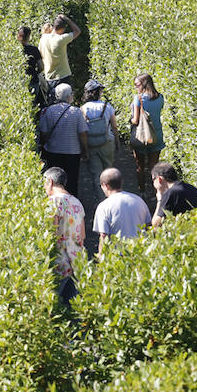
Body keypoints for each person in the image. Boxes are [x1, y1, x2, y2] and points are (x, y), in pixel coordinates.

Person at [39, 83, 88, 198]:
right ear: (69, 96)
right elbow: (83, 134)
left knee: (55, 181)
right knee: (71, 182)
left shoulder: (49, 111)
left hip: (53, 151)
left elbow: (44, 133)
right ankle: (73, 206)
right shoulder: (76, 112)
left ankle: (55, 203)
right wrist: (85, 149)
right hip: (72, 152)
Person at [44, 167, 85, 303]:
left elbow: (52, 232)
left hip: (59, 262)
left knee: (54, 305)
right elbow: (82, 235)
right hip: (76, 261)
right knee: (72, 306)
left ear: (50, 182)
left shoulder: (52, 202)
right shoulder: (77, 202)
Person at [93, 168, 151, 255]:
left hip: (118, 258)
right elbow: (148, 226)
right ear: (122, 182)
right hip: (140, 254)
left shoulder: (103, 207)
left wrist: (101, 260)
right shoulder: (138, 200)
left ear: (105, 185)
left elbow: (104, 237)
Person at [80, 79, 120, 201]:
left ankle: (100, 200)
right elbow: (114, 126)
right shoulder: (107, 107)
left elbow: (83, 132)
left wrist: (84, 149)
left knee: (96, 175)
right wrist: (117, 142)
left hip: (91, 145)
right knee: (108, 170)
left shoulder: (83, 109)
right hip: (107, 143)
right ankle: (111, 197)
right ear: (98, 93)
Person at [129, 73, 166, 194]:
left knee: (140, 166)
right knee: (154, 166)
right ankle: (157, 191)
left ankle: (142, 191)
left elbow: (136, 120)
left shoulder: (138, 98)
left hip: (142, 137)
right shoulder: (160, 97)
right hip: (156, 135)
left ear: (143, 84)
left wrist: (130, 120)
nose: (135, 87)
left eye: (136, 84)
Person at [151, 162, 197, 227]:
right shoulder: (189, 187)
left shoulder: (169, 193)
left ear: (159, 179)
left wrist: (159, 200)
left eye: (153, 180)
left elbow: (156, 223)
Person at [38, 14, 82, 96]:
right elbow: (77, 31)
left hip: (49, 77)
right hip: (63, 76)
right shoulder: (61, 39)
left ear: (54, 26)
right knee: (65, 102)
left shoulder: (43, 38)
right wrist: (67, 19)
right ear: (63, 29)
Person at [17, 25, 46, 109]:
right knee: (33, 104)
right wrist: (37, 72)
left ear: (19, 36)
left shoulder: (16, 50)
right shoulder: (34, 49)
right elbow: (41, 66)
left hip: (20, 80)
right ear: (29, 36)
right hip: (33, 79)